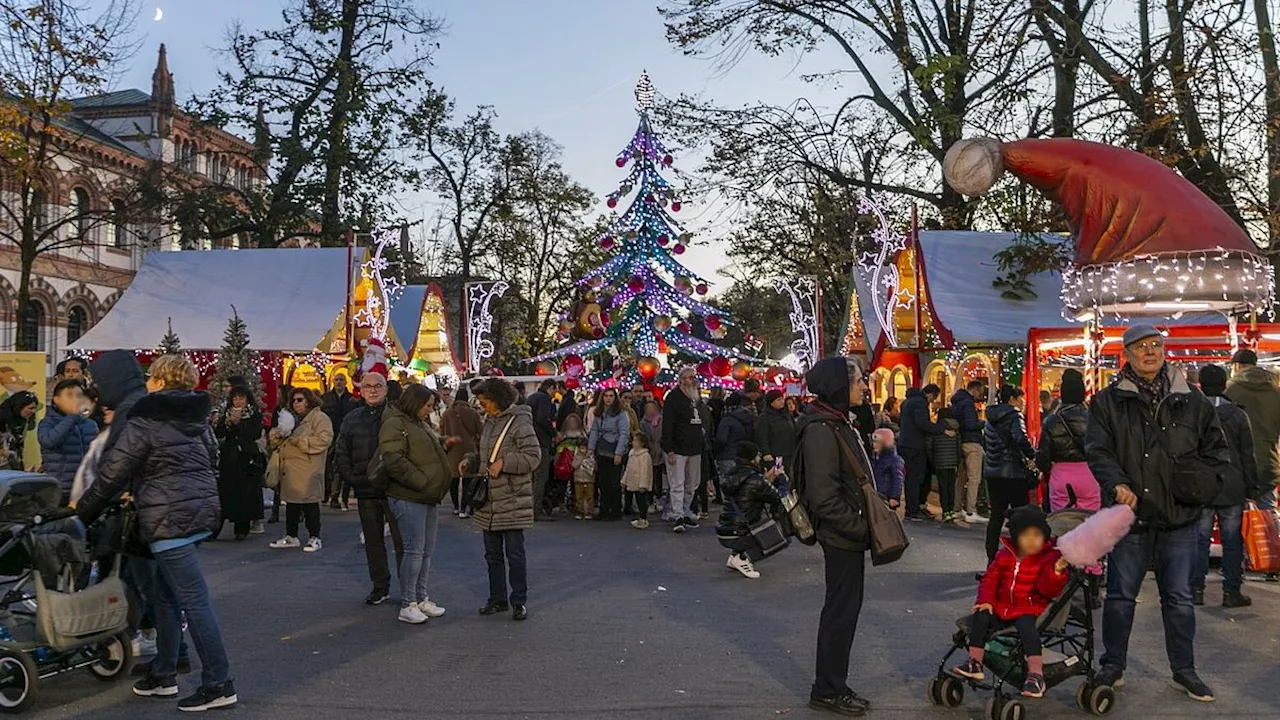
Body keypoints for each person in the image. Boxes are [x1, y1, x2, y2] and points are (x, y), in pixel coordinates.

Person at [74, 354, 237, 711]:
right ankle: (164, 674)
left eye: (151, 377)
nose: (146, 382)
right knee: (166, 597)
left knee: (194, 600)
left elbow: (112, 473)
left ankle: (219, 682)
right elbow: (211, 460)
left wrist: (80, 514)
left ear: (161, 382)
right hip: (196, 514)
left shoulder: (146, 418)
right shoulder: (197, 417)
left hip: (168, 520)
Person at [1085, 324, 1231, 701]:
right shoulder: (1108, 401)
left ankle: (1184, 670)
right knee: (1120, 597)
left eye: (1155, 345)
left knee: (1179, 599)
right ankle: (1113, 664)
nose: (1149, 352)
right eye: (1140, 346)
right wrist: (1116, 483)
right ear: (1127, 354)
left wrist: (1203, 483)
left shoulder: (1192, 400)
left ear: (1164, 350)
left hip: (1179, 516)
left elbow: (1217, 450)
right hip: (1128, 517)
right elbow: (1098, 450)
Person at [799, 357, 873, 717]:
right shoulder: (822, 429)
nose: (864, 387)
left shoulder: (836, 422)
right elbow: (824, 497)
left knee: (845, 611)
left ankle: (834, 683)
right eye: (859, 381)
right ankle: (827, 688)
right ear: (840, 387)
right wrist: (862, 528)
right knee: (840, 613)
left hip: (848, 532)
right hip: (842, 534)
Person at [951, 505, 1070, 699]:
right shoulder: (1005, 555)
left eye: (1037, 535)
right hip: (1002, 605)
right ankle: (975, 661)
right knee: (981, 616)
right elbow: (990, 579)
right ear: (1016, 537)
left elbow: (1048, 589)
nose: (1032, 541)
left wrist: (1056, 571)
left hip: (1029, 605)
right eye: (1026, 535)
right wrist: (986, 601)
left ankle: (1035, 674)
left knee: (1026, 628)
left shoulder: (1049, 557)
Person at [380, 384, 452, 625]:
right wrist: (421, 481)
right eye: (427, 405)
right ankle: (408, 602)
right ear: (414, 403)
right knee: (414, 550)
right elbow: (394, 459)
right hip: (409, 495)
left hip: (426, 495)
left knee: (425, 551)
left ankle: (421, 598)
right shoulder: (395, 423)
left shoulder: (415, 423)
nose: (430, 410)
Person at [470, 378, 541, 621]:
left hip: (512, 497)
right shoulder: (488, 422)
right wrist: (471, 461)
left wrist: (505, 463)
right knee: (492, 555)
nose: (482, 406)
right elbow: (486, 455)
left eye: (484, 402)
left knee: (514, 554)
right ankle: (497, 598)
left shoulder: (520, 423)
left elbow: (533, 456)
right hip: (489, 499)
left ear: (497, 400)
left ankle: (518, 600)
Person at [1192, 364, 1259, 608]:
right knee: (1232, 539)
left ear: (1200, 384)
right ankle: (1231, 591)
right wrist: (1252, 488)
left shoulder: (1193, 413)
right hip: (1232, 485)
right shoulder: (1239, 415)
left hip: (1202, 484)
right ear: (1224, 384)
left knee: (1199, 538)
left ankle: (1195, 589)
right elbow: (1247, 455)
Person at [335, 372, 404, 605]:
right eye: (368, 386)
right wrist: (352, 477)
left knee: (402, 541)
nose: (373, 390)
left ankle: (409, 588)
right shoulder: (352, 418)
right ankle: (380, 586)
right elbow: (341, 451)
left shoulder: (396, 416)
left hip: (395, 487)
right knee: (373, 542)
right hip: (365, 488)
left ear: (385, 389)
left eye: (378, 386)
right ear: (361, 391)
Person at [268, 388, 334, 552]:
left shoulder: (320, 418)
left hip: (308, 468)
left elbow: (324, 440)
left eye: (300, 400)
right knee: (291, 504)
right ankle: (291, 535)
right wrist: (277, 434)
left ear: (309, 400)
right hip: (290, 469)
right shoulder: (290, 418)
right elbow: (276, 440)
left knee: (310, 504)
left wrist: (300, 441)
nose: (296, 403)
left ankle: (315, 537)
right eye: (294, 400)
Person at [982, 385, 1037, 562]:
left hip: (993, 472)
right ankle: (1020, 557)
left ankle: (991, 557)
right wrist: (1031, 455)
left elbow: (987, 443)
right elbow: (1019, 438)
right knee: (1021, 515)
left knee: (996, 516)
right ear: (1013, 398)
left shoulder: (990, 417)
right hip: (1012, 472)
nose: (1022, 402)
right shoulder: (1014, 415)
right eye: (1021, 398)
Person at [716, 440, 784, 579]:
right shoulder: (755, 478)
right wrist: (780, 478)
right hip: (740, 532)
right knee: (782, 536)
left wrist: (766, 479)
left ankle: (735, 555)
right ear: (752, 457)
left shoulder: (732, 474)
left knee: (745, 520)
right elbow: (777, 497)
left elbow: (750, 491)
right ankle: (744, 558)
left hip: (725, 529)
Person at [1035, 370, 1099, 513]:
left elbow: (1042, 458)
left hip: (1061, 476)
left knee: (1060, 522)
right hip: (1090, 475)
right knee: (1091, 523)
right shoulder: (1094, 418)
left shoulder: (1051, 421)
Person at [1225, 348, 1280, 512]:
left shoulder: (1229, 391)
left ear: (1237, 366)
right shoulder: (1275, 391)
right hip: (1268, 462)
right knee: (1268, 516)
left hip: (1238, 464)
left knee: (1238, 518)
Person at [662, 368, 711, 532]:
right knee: (678, 483)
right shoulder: (673, 398)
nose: (693, 381)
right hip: (677, 448)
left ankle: (685, 510)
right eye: (690, 378)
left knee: (693, 483)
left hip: (695, 448)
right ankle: (678, 515)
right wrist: (668, 449)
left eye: (694, 377)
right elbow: (667, 424)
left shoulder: (695, 399)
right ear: (681, 380)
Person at [213, 387, 265, 540]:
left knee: (245, 494)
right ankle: (216, 528)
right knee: (225, 492)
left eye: (241, 398)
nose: (238, 402)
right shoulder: (227, 413)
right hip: (229, 459)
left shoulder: (254, 414)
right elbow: (219, 434)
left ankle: (242, 528)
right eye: (235, 399)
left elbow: (254, 433)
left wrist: (238, 424)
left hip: (246, 458)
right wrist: (225, 423)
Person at [38, 379, 98, 503]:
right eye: (70, 395)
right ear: (56, 400)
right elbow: (49, 441)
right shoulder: (47, 423)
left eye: (79, 395)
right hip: (58, 489)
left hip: (86, 489)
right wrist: (72, 417)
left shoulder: (90, 424)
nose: (76, 399)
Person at [899, 384, 950, 520]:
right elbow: (922, 423)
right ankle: (913, 510)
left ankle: (913, 508)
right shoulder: (920, 403)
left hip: (906, 443)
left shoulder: (907, 402)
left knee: (911, 477)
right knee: (915, 478)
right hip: (915, 445)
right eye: (934, 398)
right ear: (931, 394)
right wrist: (941, 429)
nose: (933, 401)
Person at [587, 388, 630, 521]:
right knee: (603, 482)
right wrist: (591, 448)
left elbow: (624, 433)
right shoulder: (598, 413)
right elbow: (594, 431)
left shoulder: (621, 413)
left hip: (615, 449)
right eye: (606, 396)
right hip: (602, 450)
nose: (608, 398)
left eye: (611, 396)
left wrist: (618, 453)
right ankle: (604, 510)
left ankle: (616, 510)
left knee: (614, 482)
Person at [441, 386, 483, 518]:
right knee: (467, 481)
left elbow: (442, 431)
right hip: (468, 450)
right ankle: (464, 509)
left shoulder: (447, 413)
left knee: (453, 480)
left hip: (452, 448)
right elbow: (479, 431)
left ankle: (455, 507)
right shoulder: (473, 413)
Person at [951, 380, 987, 523]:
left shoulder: (957, 402)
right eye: (981, 392)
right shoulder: (968, 404)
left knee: (960, 478)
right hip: (972, 443)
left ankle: (957, 508)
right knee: (974, 478)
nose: (980, 395)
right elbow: (971, 424)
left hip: (960, 442)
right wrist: (983, 423)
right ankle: (971, 511)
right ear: (976, 390)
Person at [322, 375, 358, 510]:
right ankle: (327, 491)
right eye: (337, 380)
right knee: (327, 465)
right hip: (329, 434)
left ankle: (337, 496)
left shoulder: (351, 399)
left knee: (341, 465)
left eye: (341, 380)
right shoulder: (326, 397)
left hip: (345, 436)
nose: (339, 382)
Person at [525, 379, 556, 521]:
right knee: (540, 476)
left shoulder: (531, 398)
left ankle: (527, 507)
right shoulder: (544, 399)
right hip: (541, 441)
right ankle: (536, 509)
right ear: (550, 388)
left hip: (529, 441)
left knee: (531, 476)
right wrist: (554, 432)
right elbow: (542, 419)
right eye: (554, 391)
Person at [714, 393, 755, 489]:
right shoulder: (749, 418)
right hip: (743, 457)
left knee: (727, 486)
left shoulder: (727, 420)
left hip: (726, 455)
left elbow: (721, 439)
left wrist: (716, 452)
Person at [931, 406, 964, 525]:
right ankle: (951, 510)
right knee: (951, 487)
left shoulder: (936, 429)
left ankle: (946, 511)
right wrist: (957, 460)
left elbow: (930, 445)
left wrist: (932, 459)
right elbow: (958, 447)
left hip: (940, 462)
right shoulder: (956, 428)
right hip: (952, 462)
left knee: (943, 487)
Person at [756, 389, 797, 476]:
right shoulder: (765, 418)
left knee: (789, 477)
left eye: (782, 399)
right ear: (771, 402)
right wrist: (766, 452)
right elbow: (762, 436)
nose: (782, 402)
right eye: (778, 400)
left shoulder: (787, 415)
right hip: (776, 455)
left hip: (790, 454)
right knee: (778, 477)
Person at [623, 433, 655, 529]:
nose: (633, 442)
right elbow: (628, 468)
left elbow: (645, 471)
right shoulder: (632, 453)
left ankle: (643, 518)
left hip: (640, 483)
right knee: (635, 499)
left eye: (635, 441)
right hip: (632, 481)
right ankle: (638, 517)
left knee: (641, 501)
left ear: (642, 443)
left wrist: (643, 485)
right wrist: (624, 480)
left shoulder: (645, 456)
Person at [638, 400, 664, 515]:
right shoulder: (643, 423)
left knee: (659, 478)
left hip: (660, 453)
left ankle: (659, 498)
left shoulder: (662, 420)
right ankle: (651, 500)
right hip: (649, 454)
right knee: (650, 478)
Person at [0, 391, 38, 470]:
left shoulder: (19, 422)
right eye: (30, 408)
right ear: (18, 407)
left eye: (35, 408)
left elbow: (17, 448)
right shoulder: (3, 422)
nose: (33, 411)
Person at [869, 428, 903, 510]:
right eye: (874, 442)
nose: (874, 445)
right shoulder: (874, 458)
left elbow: (897, 480)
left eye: (878, 443)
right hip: (875, 494)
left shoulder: (894, 460)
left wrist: (894, 497)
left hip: (886, 497)